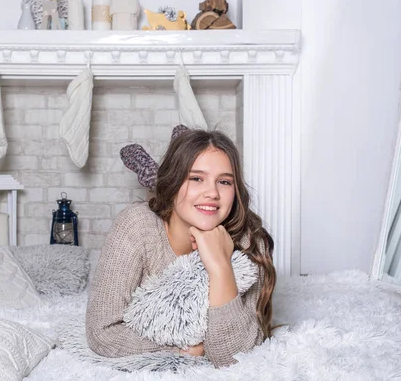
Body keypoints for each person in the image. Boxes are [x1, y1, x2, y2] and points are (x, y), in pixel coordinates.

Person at [85, 129, 276, 368]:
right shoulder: (136, 226)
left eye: (225, 182)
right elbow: (103, 332)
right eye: (196, 178)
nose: (212, 193)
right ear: (173, 182)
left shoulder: (249, 241)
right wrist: (178, 351)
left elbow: (234, 357)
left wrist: (220, 266)